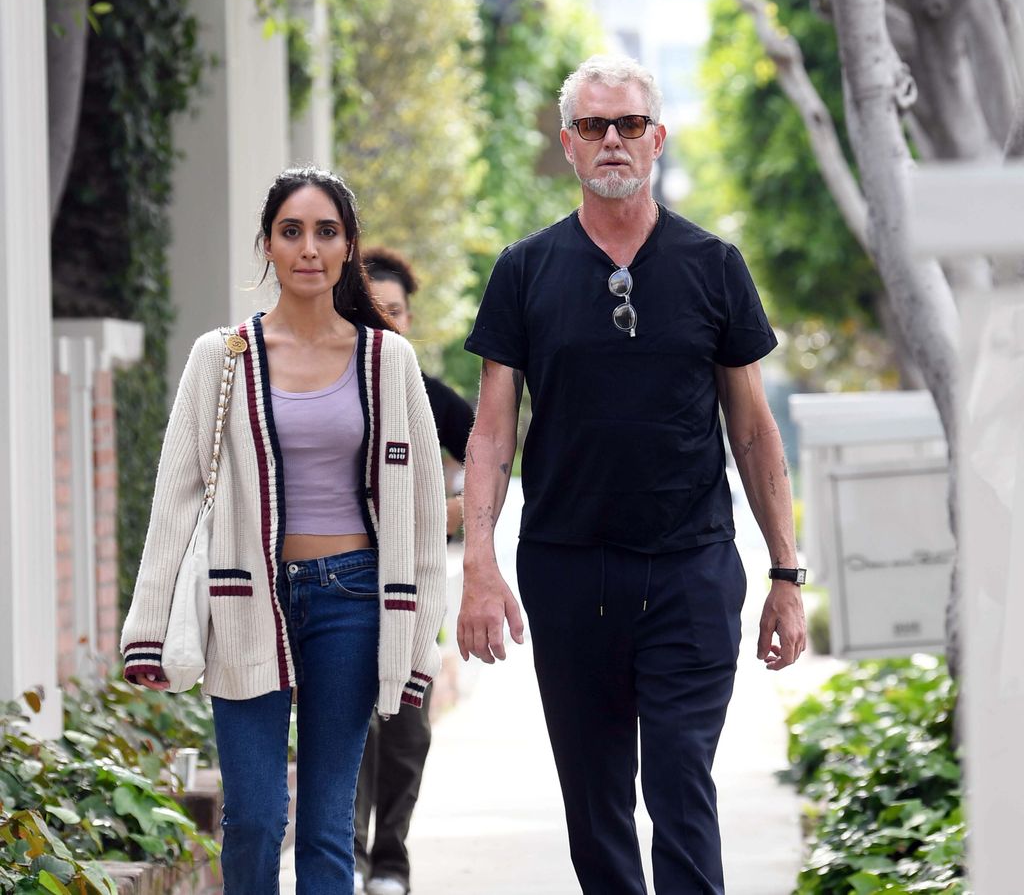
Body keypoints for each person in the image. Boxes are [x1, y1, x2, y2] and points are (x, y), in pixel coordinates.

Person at [458, 55, 807, 895]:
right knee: (596, 798)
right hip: (568, 566)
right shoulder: (525, 269)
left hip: (690, 566)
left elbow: (754, 432)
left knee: (681, 780)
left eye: (626, 125)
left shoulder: (714, 264)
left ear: (656, 140)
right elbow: (493, 429)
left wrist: (786, 572)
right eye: (590, 127)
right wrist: (478, 561)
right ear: (569, 147)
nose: (610, 140)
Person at [120, 166, 448, 895]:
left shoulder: (386, 360)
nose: (308, 248)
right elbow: (174, 498)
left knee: (329, 824)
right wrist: (147, 627)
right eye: (291, 232)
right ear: (267, 245)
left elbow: (423, 513)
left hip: (353, 600)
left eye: (326, 232)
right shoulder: (222, 358)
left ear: (348, 247)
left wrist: (418, 638)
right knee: (255, 818)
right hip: (245, 598)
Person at [353, 247, 475, 895]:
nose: (383, 322)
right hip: (337, 582)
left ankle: (390, 859)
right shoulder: (328, 385)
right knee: (347, 722)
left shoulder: (427, 395)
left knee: (404, 728)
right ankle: (346, 854)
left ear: (408, 318)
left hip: (413, 590)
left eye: (393, 311)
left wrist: (453, 511)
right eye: (372, 310)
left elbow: (493, 448)